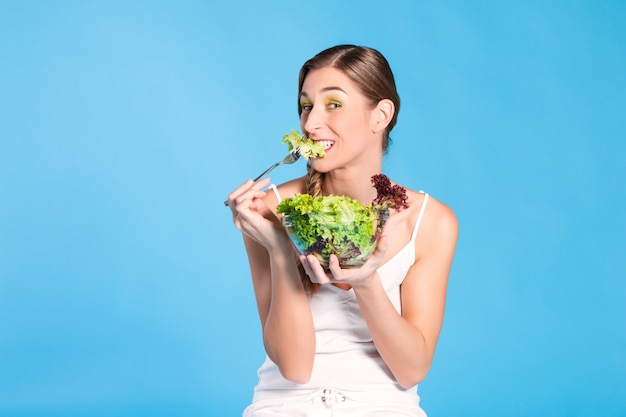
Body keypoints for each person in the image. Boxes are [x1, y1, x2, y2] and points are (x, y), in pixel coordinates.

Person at [226, 44, 458, 416]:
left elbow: (412, 368)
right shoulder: (268, 210)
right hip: (286, 405)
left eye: (333, 104)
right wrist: (280, 250)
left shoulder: (429, 221)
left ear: (380, 115)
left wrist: (367, 284)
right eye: (306, 105)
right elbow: (295, 366)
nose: (311, 123)